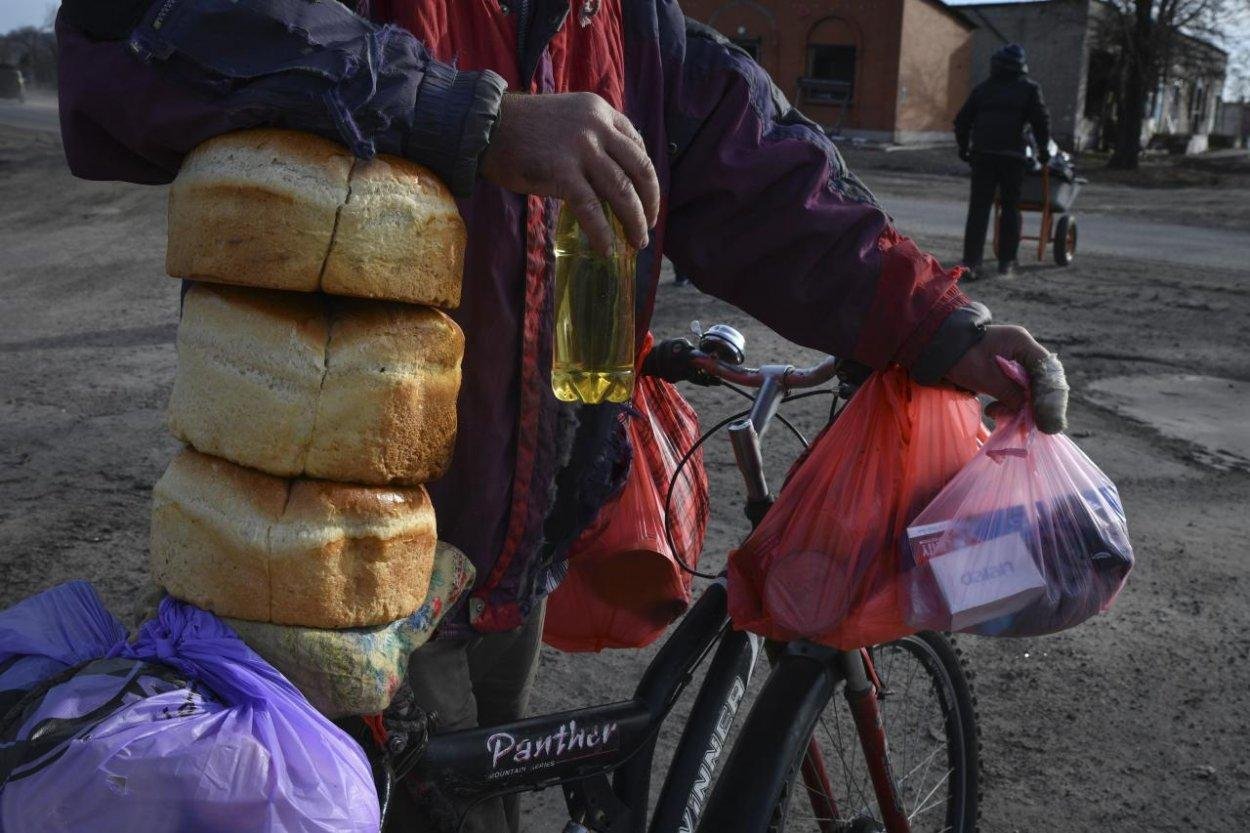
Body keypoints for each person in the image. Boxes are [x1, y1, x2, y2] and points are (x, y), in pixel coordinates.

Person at [55, 2, 1069, 830]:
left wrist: (942, 326)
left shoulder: (632, 26)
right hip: (337, 564)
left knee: (489, 785)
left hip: (511, 552)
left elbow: (770, 186)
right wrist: (470, 118)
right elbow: (139, 29)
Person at [955, 42, 1052, 279]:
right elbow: (1040, 121)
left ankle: (972, 263)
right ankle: (1006, 262)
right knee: (1010, 208)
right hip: (1013, 157)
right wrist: (1043, 151)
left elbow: (962, 121)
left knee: (978, 209)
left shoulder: (983, 89)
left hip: (983, 154)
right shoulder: (1029, 89)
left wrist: (964, 148)